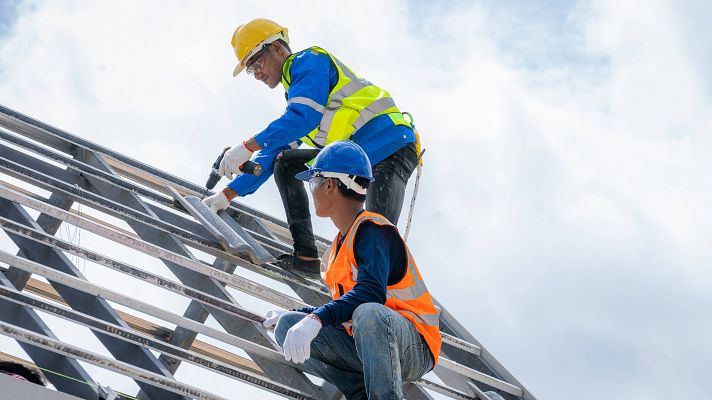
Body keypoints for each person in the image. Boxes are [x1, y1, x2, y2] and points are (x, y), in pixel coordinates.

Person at [203, 18, 420, 277]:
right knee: (285, 162)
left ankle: (381, 306)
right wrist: (226, 195)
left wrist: (247, 146)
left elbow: (302, 116)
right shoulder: (298, 96)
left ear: (277, 49)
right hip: (357, 159)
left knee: (374, 242)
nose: (257, 73)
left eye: (257, 63)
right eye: (251, 70)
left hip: (389, 146)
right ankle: (305, 256)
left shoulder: (309, 61)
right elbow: (271, 156)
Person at [262, 141, 440, 399]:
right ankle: (360, 394)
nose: (312, 191)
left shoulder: (373, 231)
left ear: (331, 185)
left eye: (314, 183)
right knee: (288, 326)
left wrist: (315, 319)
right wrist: (299, 314)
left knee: (369, 313)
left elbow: (370, 295)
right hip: (368, 341)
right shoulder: (337, 247)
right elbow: (346, 307)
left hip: (413, 345)